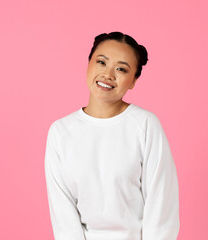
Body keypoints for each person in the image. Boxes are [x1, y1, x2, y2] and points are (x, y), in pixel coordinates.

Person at [44, 31, 180, 240]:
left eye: (121, 69)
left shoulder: (145, 125)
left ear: (133, 80)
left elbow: (161, 204)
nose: (108, 74)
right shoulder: (61, 132)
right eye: (101, 62)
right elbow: (62, 213)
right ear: (88, 64)